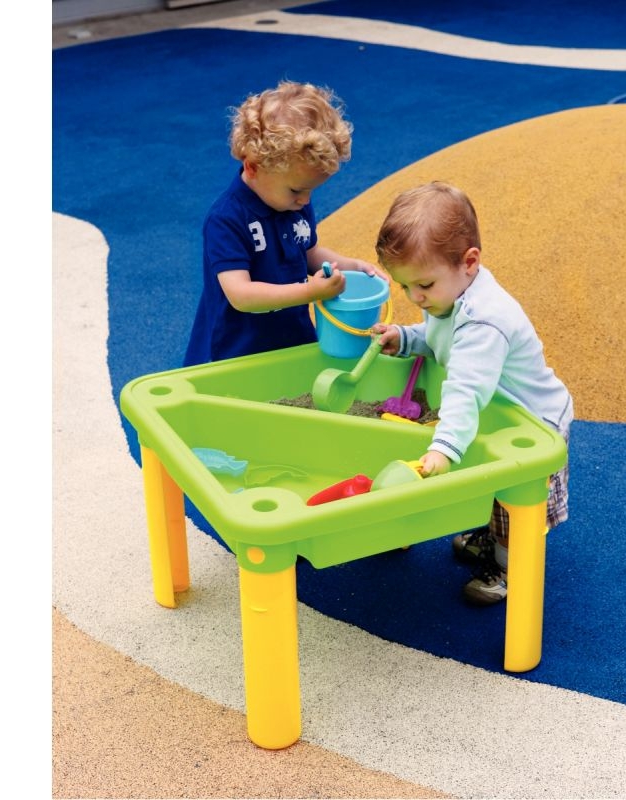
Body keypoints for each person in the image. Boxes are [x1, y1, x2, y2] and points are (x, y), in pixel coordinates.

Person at [372, 182, 573, 606]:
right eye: (405, 287)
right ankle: (489, 538)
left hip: (533, 422)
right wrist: (406, 338)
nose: (415, 298)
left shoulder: (484, 322)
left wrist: (443, 447)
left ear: (469, 262)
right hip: (499, 412)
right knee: (489, 488)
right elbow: (440, 336)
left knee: (514, 506)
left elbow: (466, 387)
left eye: (423, 285)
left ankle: (510, 565)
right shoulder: (457, 291)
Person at [184, 80, 381, 366]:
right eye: (296, 190)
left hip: (290, 339)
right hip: (237, 351)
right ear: (253, 167)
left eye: (311, 190)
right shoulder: (226, 219)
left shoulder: (293, 203)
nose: (305, 200)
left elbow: (310, 253)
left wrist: (352, 266)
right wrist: (310, 292)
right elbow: (241, 294)